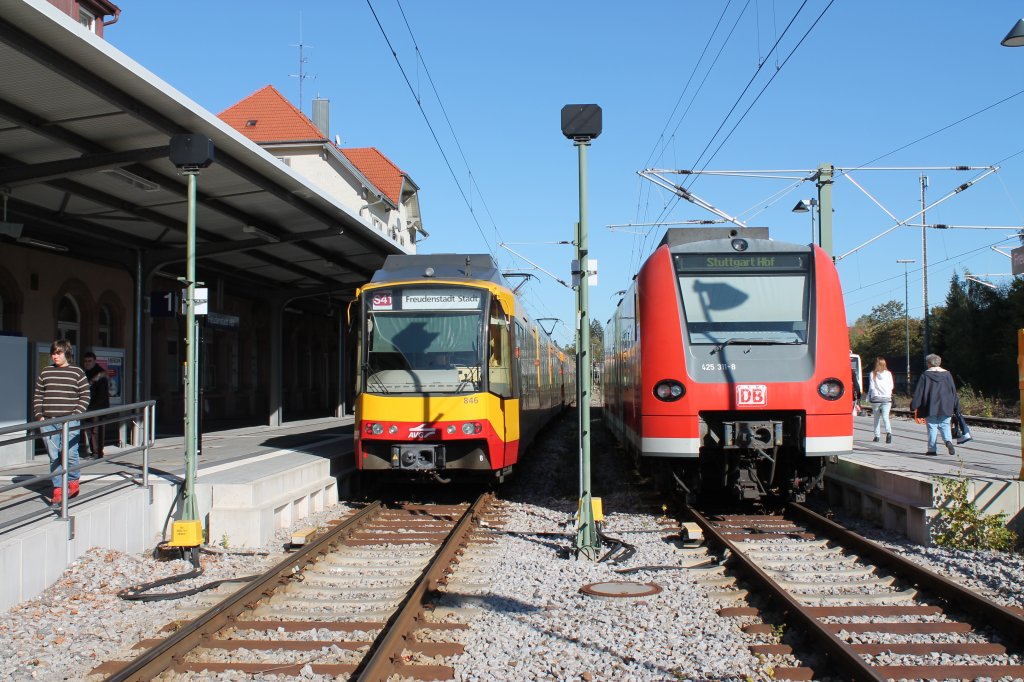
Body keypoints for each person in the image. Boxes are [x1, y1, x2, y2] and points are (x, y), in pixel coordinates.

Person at [33, 339, 90, 504]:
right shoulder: (46, 372)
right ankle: (57, 488)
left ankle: (73, 481)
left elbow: (85, 395)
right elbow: (38, 395)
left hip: (70, 420)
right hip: (48, 421)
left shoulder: (77, 372)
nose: (54, 356)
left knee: (70, 453)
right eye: (53, 353)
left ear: (67, 353)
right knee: (53, 456)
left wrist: (75, 414)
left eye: (58, 353)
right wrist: (39, 416)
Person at [910, 353, 959, 456]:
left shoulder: (925, 375)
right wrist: (956, 406)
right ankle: (948, 441)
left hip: (930, 406)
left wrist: (914, 405)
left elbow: (919, 392)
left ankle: (932, 450)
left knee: (932, 427)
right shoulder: (947, 374)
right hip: (946, 405)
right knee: (945, 425)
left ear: (929, 363)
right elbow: (953, 391)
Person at [81, 351, 110, 458]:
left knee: (96, 430)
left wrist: (92, 407)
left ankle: (97, 453)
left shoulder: (100, 374)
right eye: (85, 361)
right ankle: (94, 451)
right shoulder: (85, 373)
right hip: (88, 407)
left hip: (98, 407)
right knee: (89, 429)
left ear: (94, 361)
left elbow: (102, 394)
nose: (87, 363)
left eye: (90, 361)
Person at [868, 357, 895, 444]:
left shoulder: (872, 373)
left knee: (876, 418)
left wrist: (874, 394)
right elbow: (892, 386)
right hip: (887, 398)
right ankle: (889, 433)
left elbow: (872, 387)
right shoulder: (889, 373)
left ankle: (877, 436)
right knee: (885, 417)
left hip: (876, 399)